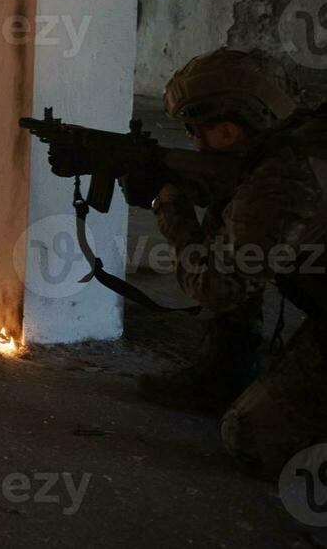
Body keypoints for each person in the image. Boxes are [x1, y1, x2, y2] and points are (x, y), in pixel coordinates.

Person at [136, 48, 326, 475]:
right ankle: (225, 370)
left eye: (194, 129)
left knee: (252, 438)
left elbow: (216, 286)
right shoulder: (297, 144)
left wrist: (169, 206)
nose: (193, 140)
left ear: (227, 130)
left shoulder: (281, 182)